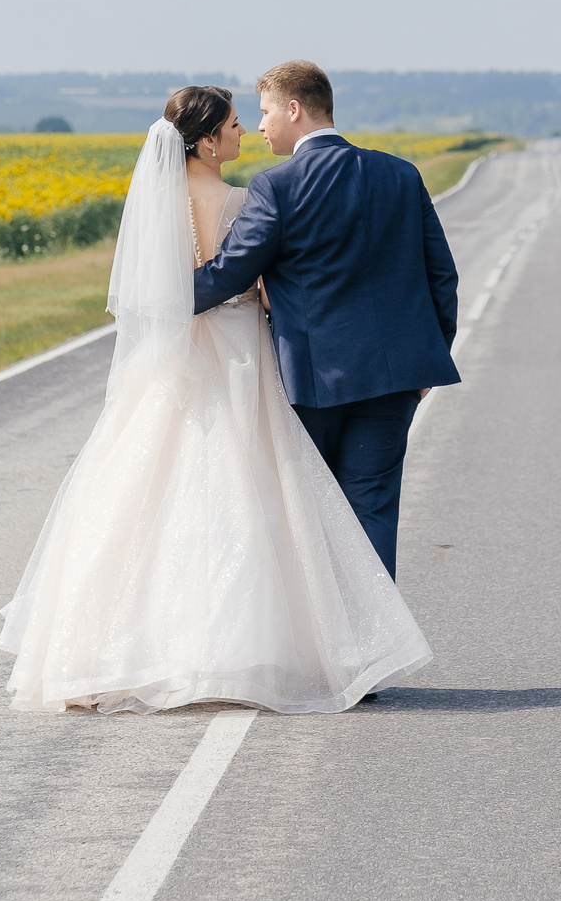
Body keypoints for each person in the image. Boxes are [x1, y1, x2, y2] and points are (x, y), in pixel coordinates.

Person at [0, 85, 431, 714]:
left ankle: (114, 648)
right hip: (233, 350)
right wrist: (261, 293)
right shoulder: (239, 198)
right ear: (205, 141)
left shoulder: (156, 201)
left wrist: (180, 302)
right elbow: (244, 270)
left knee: (148, 491)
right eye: (232, 124)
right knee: (246, 493)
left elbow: (168, 284)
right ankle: (263, 648)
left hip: (173, 358)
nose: (244, 133)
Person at [192, 60, 461, 580]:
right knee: (371, 509)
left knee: (310, 514)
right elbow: (441, 277)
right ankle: (376, 648)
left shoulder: (277, 186)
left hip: (313, 382)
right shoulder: (401, 175)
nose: (262, 125)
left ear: (294, 109)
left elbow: (229, 274)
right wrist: (428, 361)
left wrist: (160, 297)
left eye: (267, 111)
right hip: (395, 380)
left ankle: (328, 647)